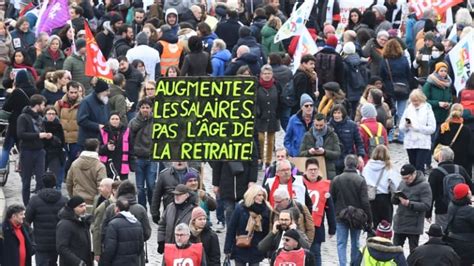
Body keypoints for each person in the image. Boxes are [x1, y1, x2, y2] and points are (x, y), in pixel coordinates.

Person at [330, 155, 373, 266]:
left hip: (341, 215)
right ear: (356, 165)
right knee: (355, 243)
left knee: (341, 243)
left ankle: (342, 264)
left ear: (345, 164)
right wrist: (369, 219)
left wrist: (336, 212)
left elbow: (332, 198)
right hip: (356, 217)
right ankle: (354, 263)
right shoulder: (360, 180)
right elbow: (365, 202)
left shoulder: (336, 179)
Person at [102, 180, 152, 266]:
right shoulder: (140, 209)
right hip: (136, 258)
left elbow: (103, 231)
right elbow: (147, 233)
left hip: (116, 257)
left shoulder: (111, 208)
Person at [25, 173, 67, 265]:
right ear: (55, 184)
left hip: (40, 242)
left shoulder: (35, 200)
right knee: (53, 262)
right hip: (57, 241)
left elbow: (26, 220)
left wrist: (31, 235)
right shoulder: (63, 200)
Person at [210, 146, 259, 227]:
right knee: (229, 211)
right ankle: (230, 234)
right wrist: (216, 184)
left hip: (244, 183)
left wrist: (252, 180)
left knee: (243, 212)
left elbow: (254, 161)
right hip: (227, 183)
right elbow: (216, 164)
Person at [427, 146, 473, 230]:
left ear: (440, 157)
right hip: (462, 207)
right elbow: (471, 187)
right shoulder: (460, 169)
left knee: (443, 234)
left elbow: (431, 194)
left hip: (442, 209)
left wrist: (428, 213)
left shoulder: (435, 173)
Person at [224, 185, 271, 266]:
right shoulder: (241, 208)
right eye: (259, 195)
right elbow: (232, 228)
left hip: (257, 247)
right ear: (252, 195)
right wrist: (227, 249)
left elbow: (267, 231)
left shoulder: (266, 210)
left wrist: (267, 249)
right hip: (240, 246)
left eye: (263, 195)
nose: (262, 198)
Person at [302, 158, 336, 266]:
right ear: (306, 171)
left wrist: (332, 228)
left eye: (315, 169)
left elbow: (329, 208)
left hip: (317, 225)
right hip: (301, 225)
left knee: (316, 253)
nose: (313, 172)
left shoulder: (325, 185)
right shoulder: (299, 183)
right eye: (310, 169)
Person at [392, 164, 432, 253]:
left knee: (413, 252)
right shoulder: (403, 183)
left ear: (414, 174)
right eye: (403, 178)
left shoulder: (424, 186)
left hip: (414, 225)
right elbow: (394, 201)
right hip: (400, 222)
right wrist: (395, 197)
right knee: (395, 251)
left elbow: (426, 205)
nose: (405, 180)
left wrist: (409, 203)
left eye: (407, 178)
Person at [17, 94, 49, 205]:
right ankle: (26, 205)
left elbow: (41, 132)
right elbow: (21, 134)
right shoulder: (23, 117)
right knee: (26, 180)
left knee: (41, 179)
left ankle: (39, 204)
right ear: (37, 105)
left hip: (39, 150)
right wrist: (38, 135)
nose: (44, 107)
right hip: (27, 151)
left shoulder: (39, 118)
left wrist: (46, 136)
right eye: (43, 105)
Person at [0, 70, 35, 172]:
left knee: (7, 147)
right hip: (29, 122)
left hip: (15, 122)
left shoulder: (17, 92)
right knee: (24, 147)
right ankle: (24, 167)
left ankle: (1, 167)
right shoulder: (34, 90)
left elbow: (6, 107)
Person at [362, 145, 401, 226]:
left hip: (370, 197)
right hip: (384, 199)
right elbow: (396, 185)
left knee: (372, 224)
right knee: (386, 225)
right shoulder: (389, 168)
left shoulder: (367, 166)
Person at [399, 89, 436, 171]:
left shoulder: (427, 109)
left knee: (419, 166)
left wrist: (417, 128)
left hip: (423, 142)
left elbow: (432, 128)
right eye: (412, 101)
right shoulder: (408, 109)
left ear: (421, 99)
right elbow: (401, 127)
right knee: (412, 165)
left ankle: (420, 181)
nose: (414, 103)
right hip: (410, 142)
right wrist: (406, 126)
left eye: (416, 101)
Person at [129, 98, 157, 208]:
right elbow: (129, 139)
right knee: (140, 187)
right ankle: (142, 208)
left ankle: (152, 205)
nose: (145, 110)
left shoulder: (156, 121)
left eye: (147, 107)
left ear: (151, 109)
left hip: (151, 157)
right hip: (138, 158)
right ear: (139, 109)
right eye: (143, 107)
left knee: (151, 184)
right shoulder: (134, 122)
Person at [101, 196, 144, 266]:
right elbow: (140, 246)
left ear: (117, 209)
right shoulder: (137, 223)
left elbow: (110, 248)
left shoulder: (113, 224)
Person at [299, 113, 342, 179]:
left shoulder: (333, 135)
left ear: (325, 123)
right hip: (311, 171)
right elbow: (300, 153)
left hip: (328, 170)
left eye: (321, 125)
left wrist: (325, 152)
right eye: (316, 125)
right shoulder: (307, 135)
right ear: (313, 123)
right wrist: (309, 152)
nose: (318, 128)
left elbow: (337, 153)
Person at [157, 184, 198, 253]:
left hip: (185, 250)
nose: (176, 197)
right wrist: (161, 241)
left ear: (187, 195)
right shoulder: (170, 207)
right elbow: (162, 225)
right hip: (170, 248)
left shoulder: (193, 210)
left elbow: (196, 231)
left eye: (179, 195)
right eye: (175, 194)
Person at [54, 81, 82, 177]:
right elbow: (54, 119)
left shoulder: (83, 104)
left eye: (75, 92)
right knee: (63, 160)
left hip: (76, 138)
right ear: (67, 92)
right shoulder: (60, 103)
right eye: (71, 92)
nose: (74, 95)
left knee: (75, 161)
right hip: (63, 138)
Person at [66, 138, 106, 206]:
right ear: (97, 148)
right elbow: (102, 186)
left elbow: (69, 182)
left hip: (77, 201)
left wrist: (72, 196)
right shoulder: (100, 166)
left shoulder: (75, 163)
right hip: (93, 202)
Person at [434, 104, 472, 175]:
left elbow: (437, 143)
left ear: (450, 111)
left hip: (446, 162)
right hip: (463, 165)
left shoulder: (444, 127)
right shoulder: (466, 129)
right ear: (462, 113)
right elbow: (470, 149)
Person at [56, 196, 93, 266]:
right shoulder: (64, 224)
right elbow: (62, 248)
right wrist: (78, 262)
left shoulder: (83, 221)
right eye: (81, 206)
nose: (84, 209)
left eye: (85, 206)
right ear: (73, 208)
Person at [256, 64, 281, 168]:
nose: (267, 75)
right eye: (265, 74)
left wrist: (278, 112)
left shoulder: (276, 85)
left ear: (272, 74)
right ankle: (261, 158)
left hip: (273, 116)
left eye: (269, 73)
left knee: (271, 140)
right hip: (261, 116)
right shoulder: (257, 86)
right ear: (261, 75)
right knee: (261, 138)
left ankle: (268, 160)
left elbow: (280, 99)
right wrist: (257, 111)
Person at [329, 104, 365, 174]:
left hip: (348, 159)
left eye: (339, 113)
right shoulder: (328, 126)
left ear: (343, 113)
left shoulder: (352, 125)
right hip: (333, 161)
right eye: (335, 113)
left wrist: (360, 156)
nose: (336, 115)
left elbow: (359, 142)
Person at [444, 183, 474, 265]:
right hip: (467, 245)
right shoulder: (469, 211)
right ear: (467, 194)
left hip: (453, 242)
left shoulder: (452, 205)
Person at [76, 79, 110, 147]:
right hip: (88, 141)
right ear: (100, 92)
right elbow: (81, 120)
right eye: (106, 91)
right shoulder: (86, 102)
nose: (108, 93)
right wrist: (98, 126)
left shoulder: (104, 100)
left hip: (101, 139)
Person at [99, 112, 131, 180]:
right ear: (109, 120)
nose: (114, 121)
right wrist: (106, 147)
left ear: (120, 120)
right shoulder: (103, 131)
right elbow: (98, 149)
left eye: (117, 119)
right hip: (107, 164)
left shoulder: (126, 131)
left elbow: (131, 148)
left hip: (121, 163)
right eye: (112, 119)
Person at [423, 62, 453, 131]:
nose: (443, 73)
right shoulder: (429, 84)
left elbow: (450, 98)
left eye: (445, 71)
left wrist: (449, 104)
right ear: (437, 71)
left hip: (444, 116)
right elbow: (423, 100)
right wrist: (438, 103)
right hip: (432, 116)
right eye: (441, 71)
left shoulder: (447, 84)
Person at [43, 106, 66, 189]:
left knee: (56, 176)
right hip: (44, 152)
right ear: (45, 115)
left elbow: (61, 141)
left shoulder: (58, 125)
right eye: (49, 114)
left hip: (56, 153)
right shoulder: (41, 124)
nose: (51, 116)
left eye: (53, 114)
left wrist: (52, 137)